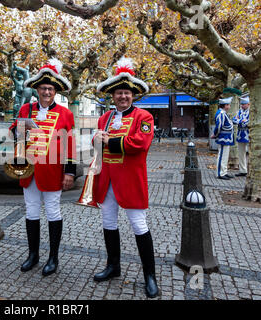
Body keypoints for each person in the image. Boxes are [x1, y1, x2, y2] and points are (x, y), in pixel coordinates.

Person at [93, 57, 158, 298]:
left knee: (139, 226)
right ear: (113, 96)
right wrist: (95, 140)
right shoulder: (104, 118)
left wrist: (109, 140)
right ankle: (113, 266)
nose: (123, 97)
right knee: (108, 223)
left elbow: (140, 144)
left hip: (130, 181)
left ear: (133, 96)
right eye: (119, 93)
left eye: (127, 93)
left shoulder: (144, 117)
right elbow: (97, 144)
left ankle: (150, 276)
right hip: (107, 180)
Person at [9, 58, 76, 276]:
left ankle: (53, 257)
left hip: (52, 170)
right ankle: (33, 255)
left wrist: (69, 171)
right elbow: (13, 134)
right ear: (36, 89)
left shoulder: (65, 114)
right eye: (43, 88)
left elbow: (70, 144)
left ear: (55, 91)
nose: (46, 92)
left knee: (53, 211)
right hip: (29, 170)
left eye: (50, 88)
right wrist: (21, 126)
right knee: (31, 211)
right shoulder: (26, 108)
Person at [211, 97, 235, 180]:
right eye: (228, 105)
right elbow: (219, 126)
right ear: (224, 105)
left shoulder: (223, 113)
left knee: (225, 156)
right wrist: (215, 134)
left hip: (226, 138)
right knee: (222, 156)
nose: (229, 106)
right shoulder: (221, 113)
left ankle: (224, 172)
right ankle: (220, 173)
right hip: (223, 137)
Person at [232, 96, 250, 177]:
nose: (242, 106)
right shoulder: (239, 112)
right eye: (241, 104)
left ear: (248, 104)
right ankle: (243, 170)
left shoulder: (251, 112)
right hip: (240, 134)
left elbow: (247, 123)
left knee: (250, 154)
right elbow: (234, 120)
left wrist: (241, 121)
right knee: (241, 153)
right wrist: (241, 121)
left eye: (244, 104)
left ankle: (250, 171)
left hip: (249, 134)